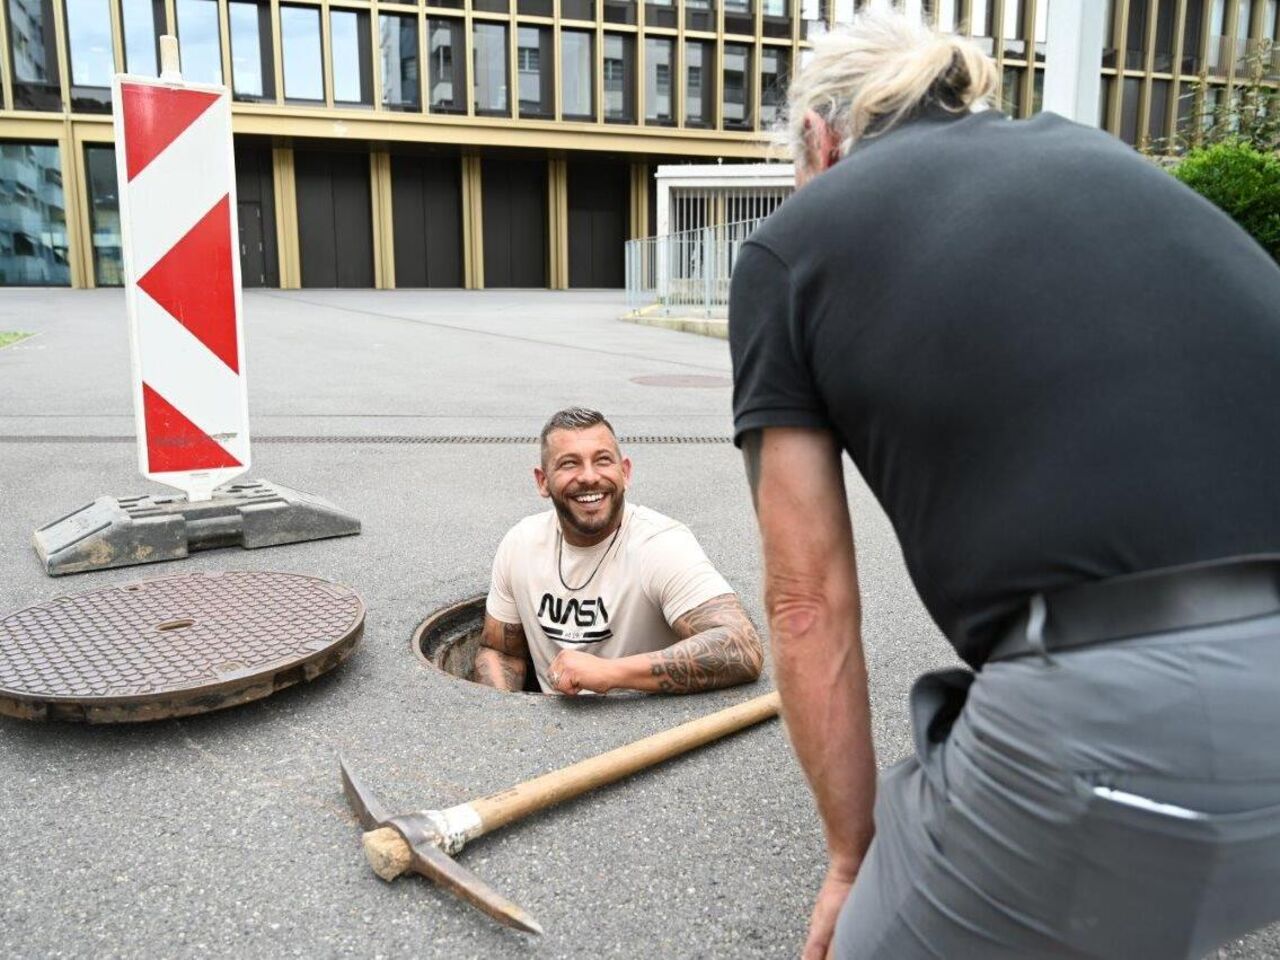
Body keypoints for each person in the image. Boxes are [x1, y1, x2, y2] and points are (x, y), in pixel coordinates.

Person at [729, 10, 1280, 960]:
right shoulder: (1100, 159)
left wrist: (853, 864)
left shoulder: (793, 243)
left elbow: (806, 603)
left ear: (819, 138)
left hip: (1131, 722)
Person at [476, 406, 763, 696]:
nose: (589, 477)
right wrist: (503, 718)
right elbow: (499, 650)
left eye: (602, 461)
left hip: (651, 733)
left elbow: (741, 646)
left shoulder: (660, 543)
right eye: (569, 464)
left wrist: (609, 673)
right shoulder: (520, 543)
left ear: (624, 472)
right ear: (543, 481)